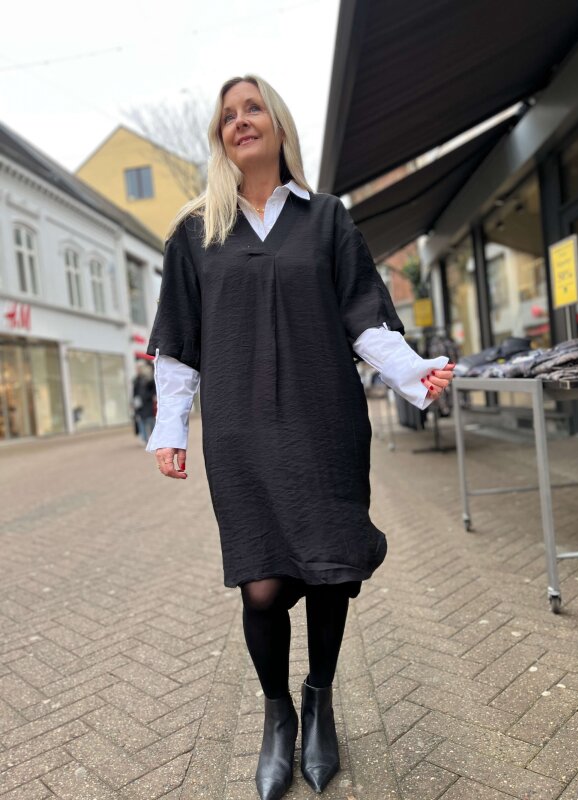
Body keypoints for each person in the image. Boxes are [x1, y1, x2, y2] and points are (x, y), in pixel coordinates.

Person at [145, 75, 455, 800]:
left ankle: (320, 703)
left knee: (329, 572)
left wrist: (414, 374)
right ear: (219, 137)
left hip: (324, 419)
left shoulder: (327, 219)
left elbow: (363, 316)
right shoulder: (195, 233)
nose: (240, 121)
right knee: (261, 584)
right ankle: (277, 716)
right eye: (228, 115)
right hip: (241, 431)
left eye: (253, 108)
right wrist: (170, 428)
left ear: (279, 125)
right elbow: (178, 344)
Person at [132, 362, 156, 444]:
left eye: (139, 368)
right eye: (137, 368)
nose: (137, 370)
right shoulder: (136, 380)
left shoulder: (148, 378)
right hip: (140, 405)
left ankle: (154, 438)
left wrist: (148, 396)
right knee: (141, 421)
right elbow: (134, 393)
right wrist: (134, 402)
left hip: (148, 404)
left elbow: (153, 390)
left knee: (150, 421)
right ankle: (144, 439)